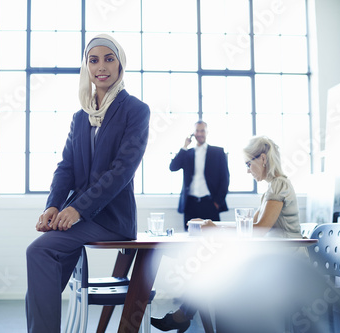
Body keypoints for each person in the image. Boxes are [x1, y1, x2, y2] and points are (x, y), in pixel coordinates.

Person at [25, 34, 150, 332]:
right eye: (93, 60)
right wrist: (54, 206)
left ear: (121, 65)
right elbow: (66, 167)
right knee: (45, 267)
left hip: (110, 217)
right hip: (77, 216)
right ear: (86, 67)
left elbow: (121, 171)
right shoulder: (81, 117)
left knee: (38, 252)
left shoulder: (135, 110)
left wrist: (77, 209)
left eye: (109, 58)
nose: (101, 66)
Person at [152, 135, 302, 332]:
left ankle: (183, 315)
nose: (248, 170)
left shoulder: (279, 185)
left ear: (263, 159)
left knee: (219, 274)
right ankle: (184, 315)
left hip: (288, 260)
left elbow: (259, 230)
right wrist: (211, 225)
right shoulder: (270, 190)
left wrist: (215, 228)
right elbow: (250, 226)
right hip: (277, 255)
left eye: (249, 164)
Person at [169, 120, 230, 230]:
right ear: (193, 133)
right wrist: (184, 146)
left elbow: (225, 179)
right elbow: (173, 167)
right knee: (190, 238)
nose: (200, 134)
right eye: (197, 131)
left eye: (202, 131)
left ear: (207, 132)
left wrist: (217, 202)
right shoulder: (187, 153)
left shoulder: (218, 152)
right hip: (190, 204)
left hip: (210, 203)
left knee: (213, 236)